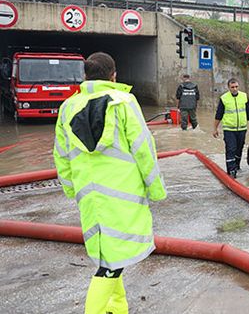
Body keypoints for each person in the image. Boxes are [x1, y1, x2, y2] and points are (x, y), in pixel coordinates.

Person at [53, 52, 167, 314]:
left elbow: (61, 153)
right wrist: (156, 188)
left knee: (110, 256)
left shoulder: (68, 107)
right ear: (113, 75)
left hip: (90, 198)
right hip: (123, 197)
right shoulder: (124, 102)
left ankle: (117, 309)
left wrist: (72, 188)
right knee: (111, 266)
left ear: (85, 76)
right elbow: (143, 149)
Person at [213, 78, 249, 178]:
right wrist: (215, 128)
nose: (235, 89)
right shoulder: (224, 98)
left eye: (236, 87)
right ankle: (231, 171)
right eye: (232, 87)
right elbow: (219, 114)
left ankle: (237, 166)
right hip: (229, 129)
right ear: (228, 87)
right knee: (231, 149)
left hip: (242, 128)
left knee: (239, 149)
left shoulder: (244, 96)